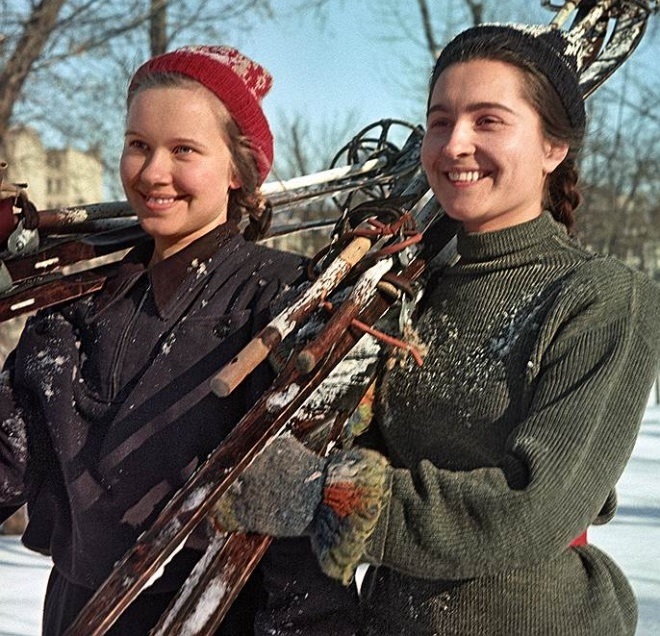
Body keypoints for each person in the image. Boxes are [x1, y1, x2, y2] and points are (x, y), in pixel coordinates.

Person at [210, 24, 660, 635]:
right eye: (440, 121)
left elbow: (532, 509)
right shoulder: (409, 293)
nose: (454, 145)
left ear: (554, 147)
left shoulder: (602, 298)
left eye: (488, 121)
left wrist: (327, 498)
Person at [0, 46, 360, 634]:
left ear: (237, 171)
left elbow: (303, 528)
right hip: (76, 615)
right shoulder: (76, 306)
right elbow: (9, 455)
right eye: (138, 145)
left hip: (211, 616)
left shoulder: (280, 301)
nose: (152, 173)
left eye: (183, 150)